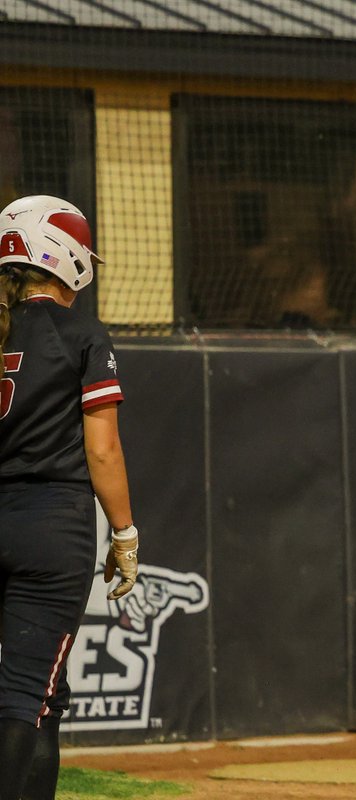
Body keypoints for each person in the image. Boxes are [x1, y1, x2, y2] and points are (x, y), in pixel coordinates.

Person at [0, 195, 140, 799]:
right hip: (50, 525)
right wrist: (126, 535)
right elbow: (103, 450)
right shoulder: (80, 333)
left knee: (44, 697)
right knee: (27, 694)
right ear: (66, 255)